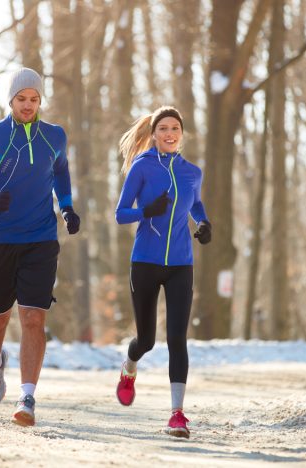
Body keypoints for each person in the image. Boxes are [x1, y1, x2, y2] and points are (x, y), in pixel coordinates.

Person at [0, 67, 80, 427]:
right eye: (22, 99)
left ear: (41, 101)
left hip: (40, 238)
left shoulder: (54, 135)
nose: (28, 105)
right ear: (10, 100)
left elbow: (60, 171)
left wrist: (67, 206)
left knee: (34, 317)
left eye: (34, 99)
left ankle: (27, 398)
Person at [114, 106, 211, 439]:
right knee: (147, 340)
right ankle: (129, 368)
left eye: (175, 128)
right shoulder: (141, 167)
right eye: (163, 128)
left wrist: (204, 223)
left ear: (181, 133)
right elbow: (120, 214)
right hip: (145, 261)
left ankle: (177, 414)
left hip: (181, 264)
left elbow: (195, 203)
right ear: (154, 134)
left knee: (177, 339)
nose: (170, 134)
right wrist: (146, 211)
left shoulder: (191, 172)